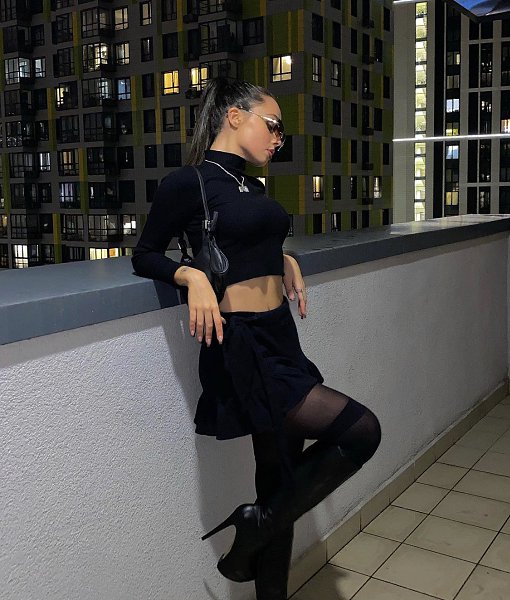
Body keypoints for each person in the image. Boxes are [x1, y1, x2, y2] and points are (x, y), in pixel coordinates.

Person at [131, 78, 381, 600]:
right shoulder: (189, 183)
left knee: (279, 479)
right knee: (362, 432)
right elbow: (145, 253)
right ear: (234, 116)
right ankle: (253, 526)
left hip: (279, 335)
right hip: (241, 344)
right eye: (272, 126)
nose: (277, 139)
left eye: (281, 133)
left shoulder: (254, 188)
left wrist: (283, 257)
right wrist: (190, 276)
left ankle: (261, 544)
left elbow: (250, 241)